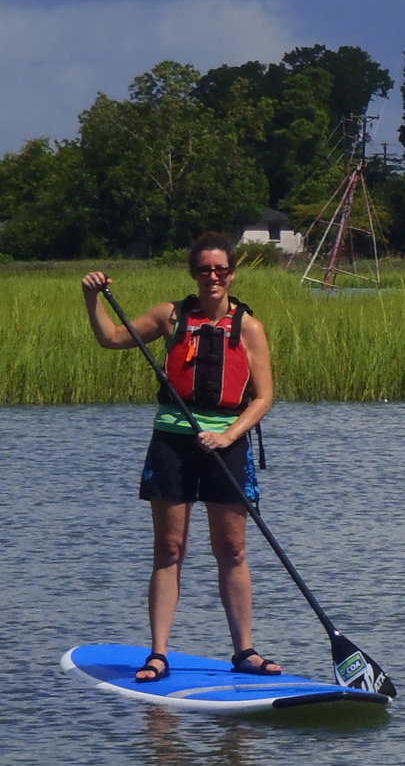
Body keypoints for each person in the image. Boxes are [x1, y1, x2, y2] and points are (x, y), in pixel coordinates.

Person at [82, 234, 281, 682]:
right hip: (172, 443)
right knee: (170, 549)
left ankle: (245, 651)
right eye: (205, 270)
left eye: (221, 269)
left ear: (232, 273)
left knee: (231, 548)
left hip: (226, 444)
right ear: (194, 273)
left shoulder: (248, 326)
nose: (213, 277)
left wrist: (227, 434)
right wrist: (91, 298)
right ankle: (157, 654)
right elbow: (112, 338)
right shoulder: (170, 316)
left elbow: (264, 397)